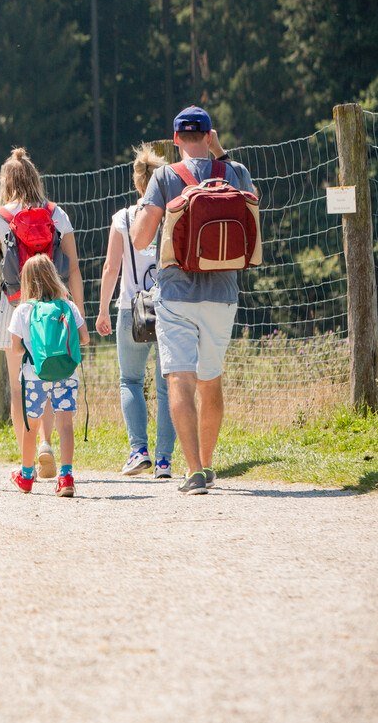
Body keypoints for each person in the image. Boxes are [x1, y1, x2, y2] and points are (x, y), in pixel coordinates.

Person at [130, 106, 256, 495]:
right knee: (210, 380)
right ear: (209, 135)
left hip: (176, 293)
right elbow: (255, 204)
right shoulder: (235, 172)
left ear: (175, 140)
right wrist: (220, 154)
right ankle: (209, 461)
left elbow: (140, 238)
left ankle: (194, 470)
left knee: (179, 379)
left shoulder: (166, 176)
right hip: (222, 294)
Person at [0, 148, 84, 479]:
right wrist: (76, 311)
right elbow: (74, 269)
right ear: (36, 178)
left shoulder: (0, 218)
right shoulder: (56, 214)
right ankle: (46, 444)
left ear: (5, 181)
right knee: (50, 374)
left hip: (15, 307)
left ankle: (27, 462)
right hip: (54, 309)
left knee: (20, 386)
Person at [95, 146, 177, 479]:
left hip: (131, 308)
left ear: (136, 181)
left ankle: (138, 450)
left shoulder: (123, 218)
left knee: (130, 380)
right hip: (170, 307)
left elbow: (110, 267)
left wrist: (102, 309)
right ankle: (164, 461)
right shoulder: (172, 214)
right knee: (167, 385)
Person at [7, 255, 89, 497]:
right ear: (54, 275)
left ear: (26, 281)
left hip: (35, 376)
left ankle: (25, 475)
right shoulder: (68, 306)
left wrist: (33, 349)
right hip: (66, 373)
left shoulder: (23, 310)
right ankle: (66, 477)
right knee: (65, 423)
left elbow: (16, 348)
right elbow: (84, 338)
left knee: (31, 426)